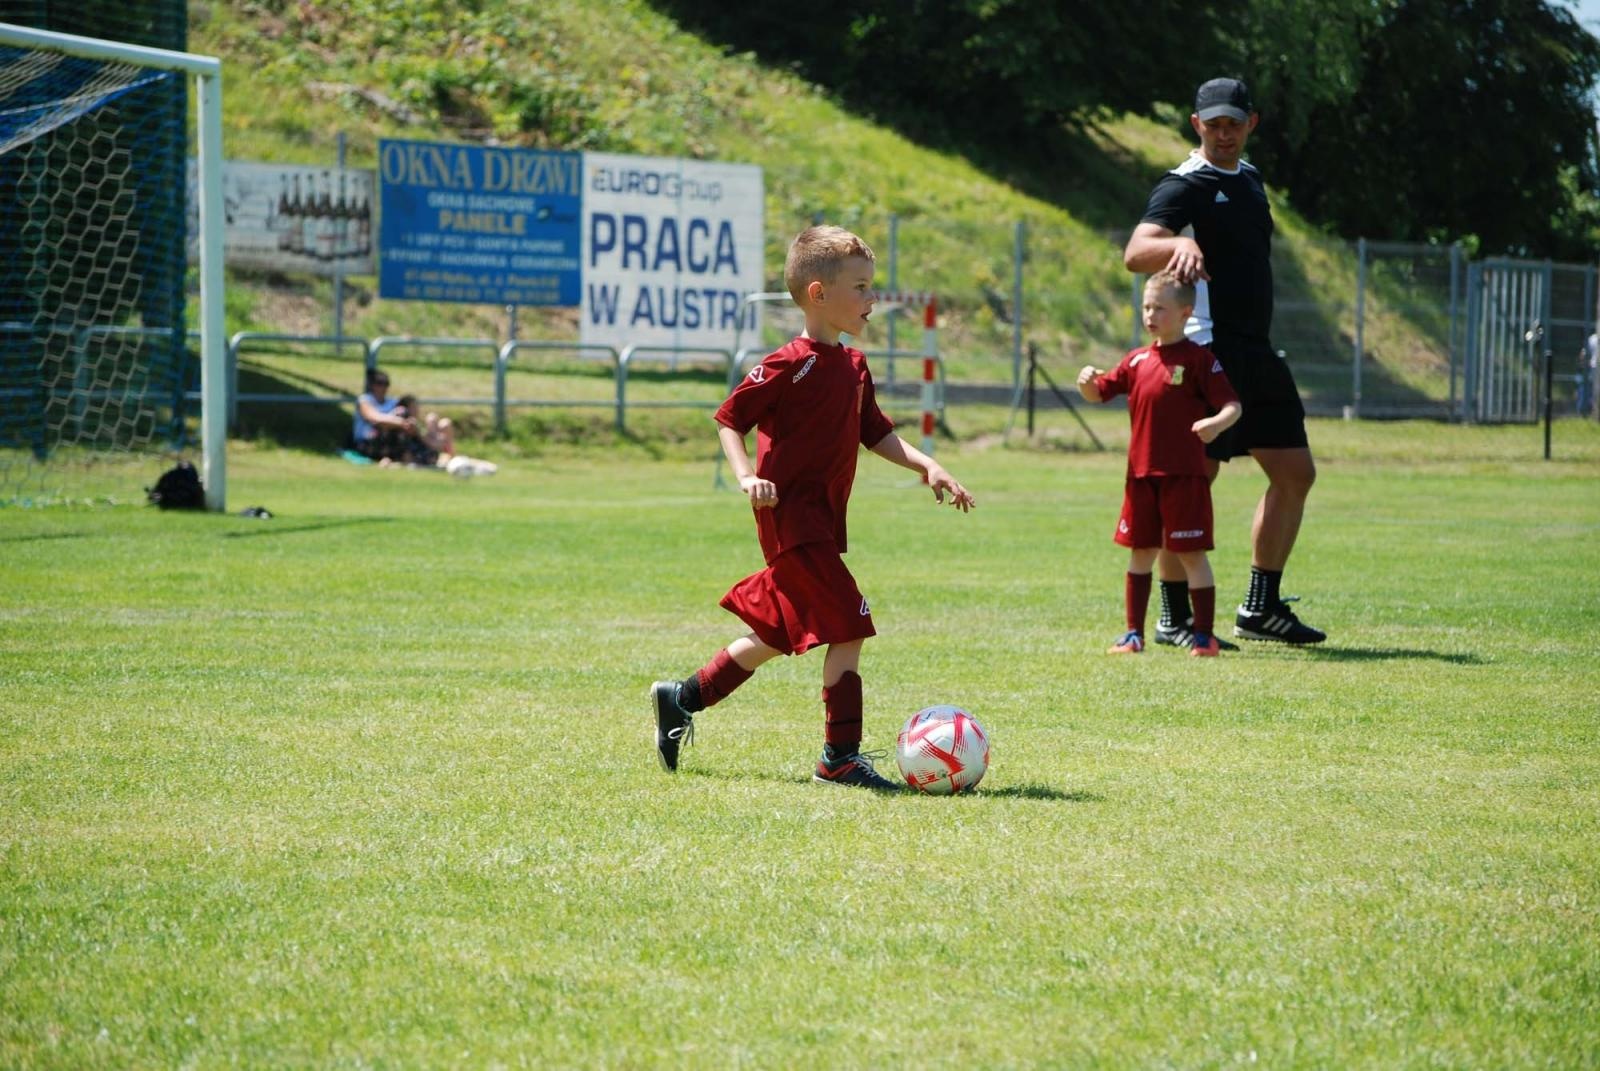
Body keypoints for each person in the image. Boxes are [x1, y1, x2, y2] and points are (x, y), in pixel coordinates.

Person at [650, 224, 975, 790]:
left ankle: (681, 698)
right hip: (791, 520)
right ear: (819, 293)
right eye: (862, 288)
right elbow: (729, 420)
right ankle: (839, 757)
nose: (872, 300)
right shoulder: (785, 364)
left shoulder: (853, 367)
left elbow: (875, 435)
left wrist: (929, 465)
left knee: (774, 636)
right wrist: (747, 475)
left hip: (823, 524)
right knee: (849, 624)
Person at [1123, 76, 1325, 646]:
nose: (1224, 132)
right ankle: (1173, 617)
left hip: (1256, 352)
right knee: (1191, 482)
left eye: (1233, 122)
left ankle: (1260, 607)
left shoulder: (1253, 180)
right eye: (1213, 123)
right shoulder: (1183, 184)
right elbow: (1137, 252)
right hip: (1207, 352)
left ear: (1251, 122)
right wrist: (1177, 245)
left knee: (1295, 473)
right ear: (1196, 126)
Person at [1077, 270, 1242, 656]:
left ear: (1186, 313)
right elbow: (1098, 392)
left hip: (1184, 476)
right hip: (1140, 476)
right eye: (1146, 307)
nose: (1151, 315)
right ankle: (1133, 634)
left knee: (1190, 554)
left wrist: (1215, 424)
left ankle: (1204, 637)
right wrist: (1085, 382)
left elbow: (1233, 405)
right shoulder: (1136, 360)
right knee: (1140, 554)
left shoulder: (1200, 360)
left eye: (1160, 308)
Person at [395, 394, 498, 477]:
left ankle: (467, 461)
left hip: (431, 455)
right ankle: (468, 463)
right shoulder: (406, 424)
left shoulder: (417, 425)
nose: (417, 410)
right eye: (414, 407)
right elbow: (430, 446)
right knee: (450, 458)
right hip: (424, 459)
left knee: (440, 422)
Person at [351, 367, 433, 465]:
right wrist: (400, 422)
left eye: (386, 383)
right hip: (367, 441)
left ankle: (413, 456)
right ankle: (404, 458)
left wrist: (409, 421)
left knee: (403, 414)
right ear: (372, 385)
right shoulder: (365, 400)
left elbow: (409, 415)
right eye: (379, 383)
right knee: (392, 421)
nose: (383, 387)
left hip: (392, 440)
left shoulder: (392, 402)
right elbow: (375, 418)